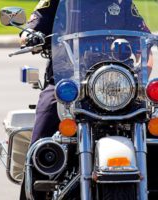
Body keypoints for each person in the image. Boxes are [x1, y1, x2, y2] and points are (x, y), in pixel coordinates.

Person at [19, 1, 152, 199]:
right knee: (43, 133)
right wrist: (29, 36)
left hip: (116, 84)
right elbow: (32, 28)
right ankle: (31, 193)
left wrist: (146, 55)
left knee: (152, 125)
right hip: (68, 79)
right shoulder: (57, 2)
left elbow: (144, 36)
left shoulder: (121, 3)